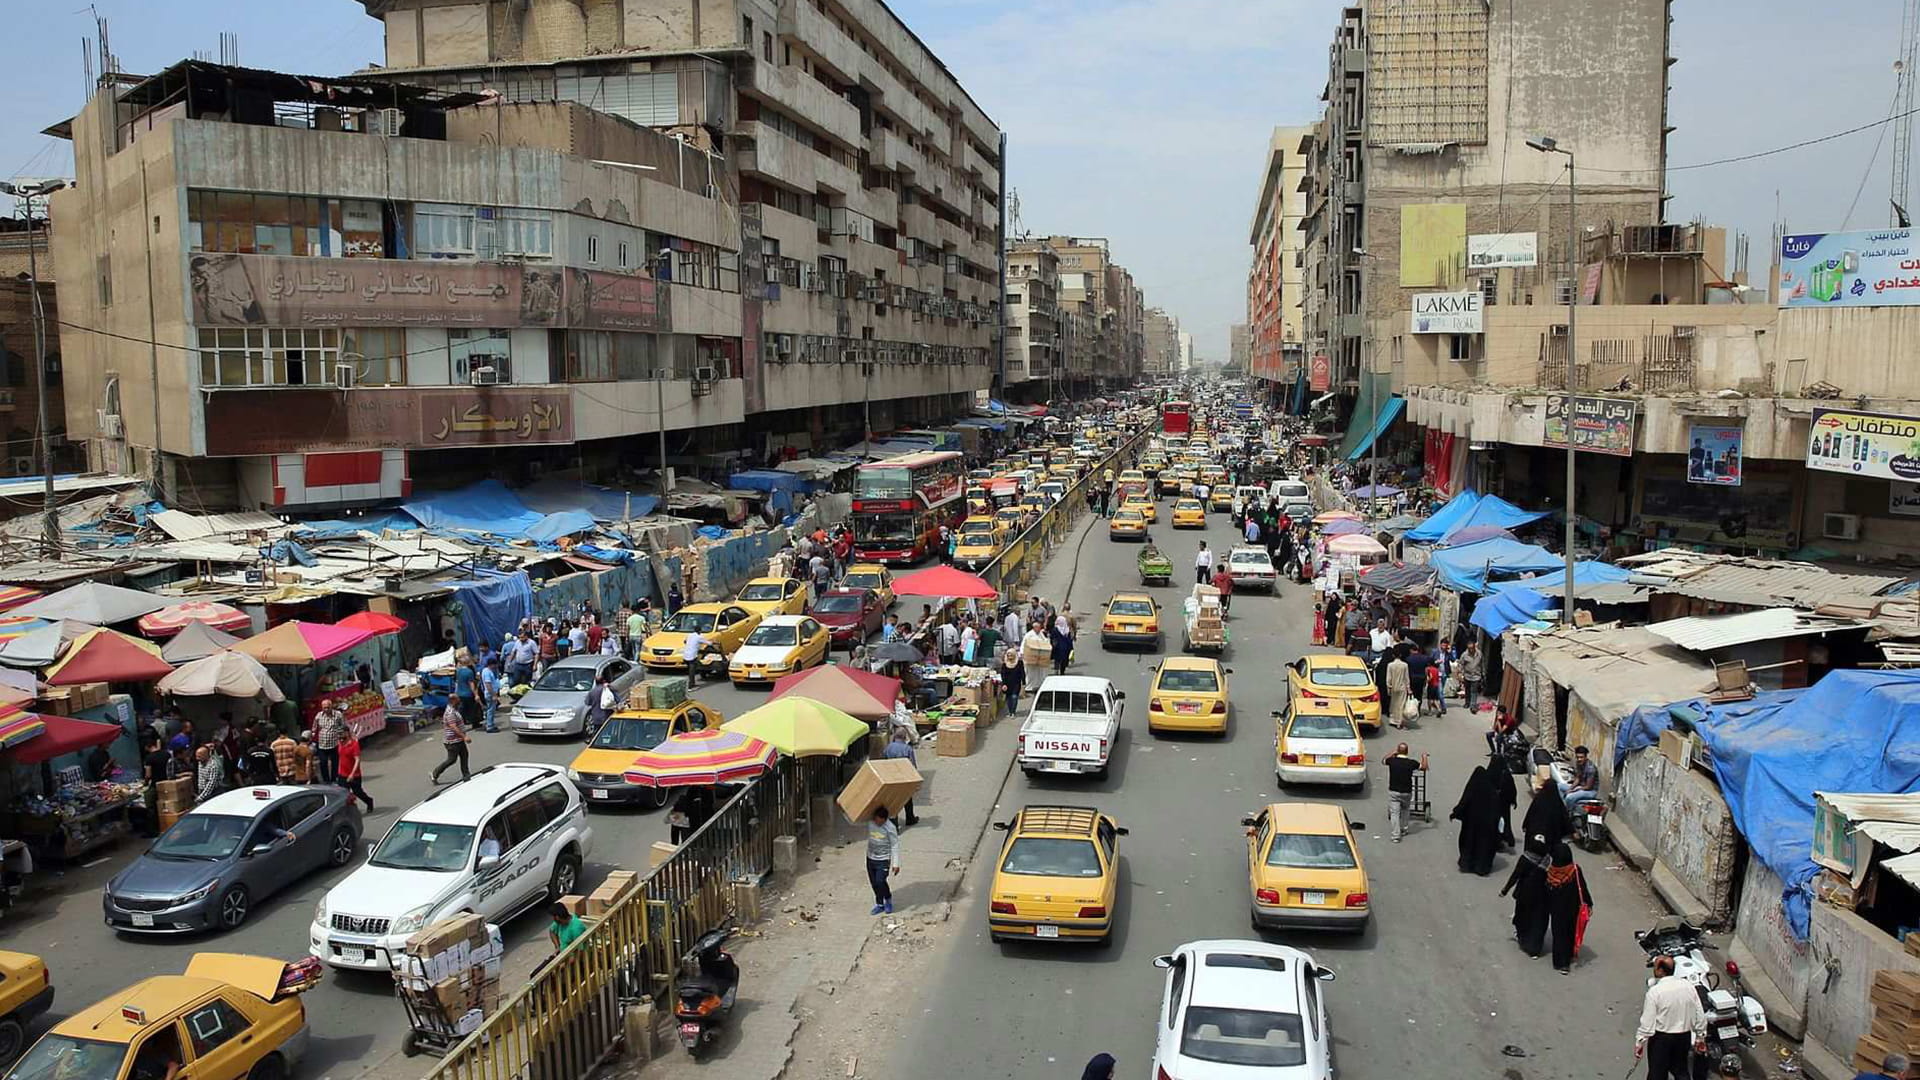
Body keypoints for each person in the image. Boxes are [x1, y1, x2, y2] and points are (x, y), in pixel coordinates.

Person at [1635, 953, 1707, 1080]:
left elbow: (1647, 1021)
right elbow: (1699, 1014)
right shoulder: (1688, 986)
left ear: (1660, 970)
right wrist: (1700, 1036)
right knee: (1681, 1071)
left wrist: (1640, 1042)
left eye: (1655, 966)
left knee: (1657, 1074)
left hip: (1662, 1039)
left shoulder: (1655, 992)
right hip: (1684, 1037)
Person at [1544, 841, 1593, 973]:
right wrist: (1589, 904)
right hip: (1572, 909)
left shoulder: (1551, 872)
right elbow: (1582, 888)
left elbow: (1546, 890)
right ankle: (1569, 955)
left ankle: (1560, 962)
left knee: (1559, 934)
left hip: (1556, 910)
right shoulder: (1574, 870)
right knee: (1570, 932)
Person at [1501, 836, 1553, 958]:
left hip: (1525, 894)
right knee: (1537, 921)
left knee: (1524, 918)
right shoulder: (1547, 861)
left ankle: (1523, 940)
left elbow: (1516, 875)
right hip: (1542, 897)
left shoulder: (1526, 858)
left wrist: (1505, 890)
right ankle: (1535, 948)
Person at [1449, 765, 1503, 875]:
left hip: (1472, 824)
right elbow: (1497, 810)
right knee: (1484, 845)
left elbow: (1464, 801)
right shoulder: (1492, 791)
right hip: (1487, 826)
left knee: (1469, 842)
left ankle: (1467, 864)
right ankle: (1481, 867)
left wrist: (1456, 813)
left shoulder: (1472, 789)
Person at [1382, 743, 1427, 842]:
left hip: (1394, 791)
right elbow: (1424, 767)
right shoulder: (1411, 763)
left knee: (1395, 813)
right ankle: (1404, 829)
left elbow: (1383, 760)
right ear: (1407, 752)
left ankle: (1395, 835)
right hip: (1406, 791)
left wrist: (1392, 753)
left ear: (1398, 751)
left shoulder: (1392, 761)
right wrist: (1424, 757)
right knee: (1406, 809)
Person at [866, 805, 901, 915]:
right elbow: (854, 821)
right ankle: (880, 904)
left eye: (880, 822)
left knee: (880, 881)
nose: (878, 823)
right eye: (876, 820)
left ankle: (888, 899)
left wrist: (896, 864)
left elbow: (895, 845)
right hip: (870, 858)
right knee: (874, 883)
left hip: (883, 860)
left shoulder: (890, 827)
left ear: (885, 820)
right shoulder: (870, 822)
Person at [1523, 777, 1573, 851]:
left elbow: (1530, 813)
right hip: (1552, 837)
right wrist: (1572, 831)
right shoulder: (1557, 802)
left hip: (1536, 836)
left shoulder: (1539, 799)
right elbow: (1565, 817)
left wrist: (1525, 825)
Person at [431, 699, 473, 785]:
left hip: (458, 740)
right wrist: (464, 736)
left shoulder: (454, 710)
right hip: (453, 742)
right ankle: (435, 773)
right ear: (453, 701)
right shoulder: (450, 713)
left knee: (464, 756)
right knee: (451, 760)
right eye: (458, 700)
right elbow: (453, 727)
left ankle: (466, 776)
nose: (460, 702)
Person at [883, 731, 919, 826]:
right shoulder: (908, 748)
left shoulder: (888, 747)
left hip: (891, 777)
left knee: (894, 801)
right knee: (907, 798)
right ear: (904, 737)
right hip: (904, 777)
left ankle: (894, 825)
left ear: (895, 737)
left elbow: (883, 760)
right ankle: (910, 818)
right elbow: (913, 765)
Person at [336, 729, 374, 811]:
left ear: (347, 733)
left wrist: (352, 774)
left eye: (342, 734)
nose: (340, 737)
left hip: (354, 775)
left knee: (358, 792)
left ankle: (369, 801)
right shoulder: (340, 743)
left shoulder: (354, 745)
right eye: (339, 734)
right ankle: (349, 810)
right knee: (343, 793)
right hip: (342, 774)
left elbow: (357, 760)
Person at [1561, 745, 1602, 817]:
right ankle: (1562, 807)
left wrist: (1574, 790)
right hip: (1581, 787)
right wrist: (1570, 788)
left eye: (1581, 757)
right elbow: (1578, 778)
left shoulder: (1591, 768)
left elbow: (1588, 787)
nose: (1579, 759)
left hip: (1590, 791)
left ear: (1586, 757)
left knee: (1569, 797)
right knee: (1559, 786)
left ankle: (1567, 815)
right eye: (1578, 757)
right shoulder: (1579, 764)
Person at [313, 706, 344, 784]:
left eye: (327, 707)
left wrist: (341, 736)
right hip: (322, 744)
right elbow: (314, 727)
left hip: (334, 743)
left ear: (331, 707)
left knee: (335, 762)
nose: (326, 709)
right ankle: (326, 780)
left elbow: (342, 726)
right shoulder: (319, 715)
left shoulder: (338, 714)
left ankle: (334, 778)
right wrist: (312, 734)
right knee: (323, 762)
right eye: (324, 708)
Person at [585, 674, 617, 741]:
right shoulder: (608, 690)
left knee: (597, 733)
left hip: (596, 716)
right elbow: (616, 698)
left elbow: (587, 702)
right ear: (604, 681)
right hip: (607, 716)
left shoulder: (592, 692)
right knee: (607, 732)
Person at [1457, 639, 1486, 711]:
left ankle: (1473, 705)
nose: (1470, 650)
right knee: (1467, 690)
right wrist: (1460, 673)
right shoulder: (1464, 655)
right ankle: (1467, 702)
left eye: (1472, 648)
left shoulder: (1479, 654)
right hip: (1467, 675)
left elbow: (1482, 664)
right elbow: (1461, 664)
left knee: (1474, 691)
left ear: (1474, 647)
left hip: (1476, 675)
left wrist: (1483, 673)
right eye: (1469, 648)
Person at [1385, 649, 1411, 729]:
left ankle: (1393, 720)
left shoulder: (1390, 665)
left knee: (1394, 704)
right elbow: (1406, 678)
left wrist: (1388, 687)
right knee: (1401, 705)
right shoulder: (1404, 665)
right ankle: (1400, 722)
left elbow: (1388, 678)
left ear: (1393, 656)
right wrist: (1408, 688)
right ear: (1400, 655)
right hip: (1402, 687)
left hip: (1393, 687)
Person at [480, 658, 502, 733]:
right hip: (490, 694)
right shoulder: (487, 672)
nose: (496, 666)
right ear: (491, 664)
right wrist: (493, 695)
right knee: (491, 710)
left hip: (491, 693)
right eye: (495, 664)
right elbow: (488, 684)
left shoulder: (488, 671)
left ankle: (490, 724)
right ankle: (489, 726)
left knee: (490, 710)